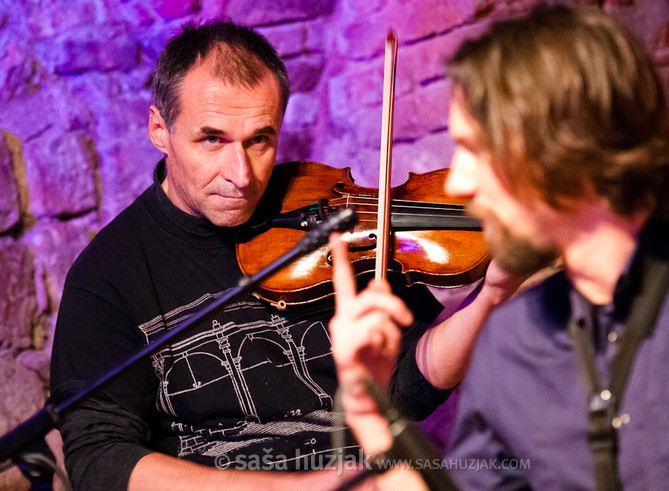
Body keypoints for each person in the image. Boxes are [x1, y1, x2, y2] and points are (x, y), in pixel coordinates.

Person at [49, 20, 515, 490]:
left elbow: (403, 388)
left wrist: (491, 297)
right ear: (159, 129)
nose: (242, 175)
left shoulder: (320, 209)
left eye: (259, 140)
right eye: (212, 139)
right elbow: (99, 458)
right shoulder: (108, 273)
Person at [330, 4, 669, 490]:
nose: (458, 181)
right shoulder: (509, 344)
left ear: (567, 144)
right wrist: (374, 413)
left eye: (478, 149)